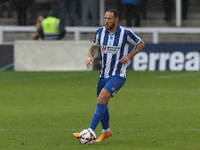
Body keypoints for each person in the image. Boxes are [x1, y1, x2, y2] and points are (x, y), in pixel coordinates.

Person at [73, 9, 145, 142]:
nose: (106, 21)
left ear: (116, 20)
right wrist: (90, 57)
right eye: (105, 18)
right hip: (103, 75)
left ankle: (89, 132)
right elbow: (93, 47)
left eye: (109, 19)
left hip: (118, 75)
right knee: (103, 103)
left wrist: (129, 56)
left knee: (102, 97)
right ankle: (106, 131)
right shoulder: (100, 32)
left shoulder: (125, 33)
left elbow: (141, 44)